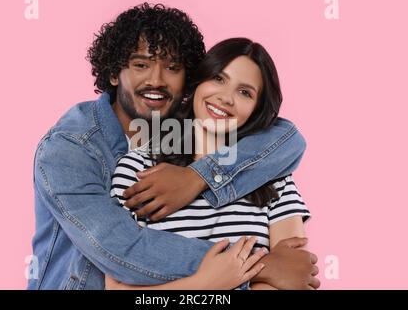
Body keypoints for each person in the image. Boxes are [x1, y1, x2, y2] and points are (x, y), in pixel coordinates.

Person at [28, 3, 318, 290]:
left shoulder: (177, 135)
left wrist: (197, 177)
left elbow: (287, 138)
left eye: (172, 67)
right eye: (141, 64)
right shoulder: (71, 149)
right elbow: (121, 251)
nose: (156, 80)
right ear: (114, 74)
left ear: (189, 79)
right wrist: (254, 267)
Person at [106, 38, 314, 290]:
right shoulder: (136, 168)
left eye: (245, 92)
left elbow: (294, 276)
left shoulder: (272, 176)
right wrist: (207, 283)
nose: (226, 98)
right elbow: (118, 285)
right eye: (218, 79)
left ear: (256, 110)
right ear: (197, 82)